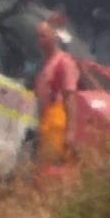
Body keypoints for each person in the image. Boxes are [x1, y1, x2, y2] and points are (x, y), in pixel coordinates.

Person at [35, 18, 81, 164]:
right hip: (46, 119)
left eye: (43, 36)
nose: (40, 41)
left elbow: (70, 98)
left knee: (53, 167)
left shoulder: (64, 62)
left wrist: (70, 132)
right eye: (38, 36)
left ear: (54, 36)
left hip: (58, 120)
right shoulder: (47, 62)